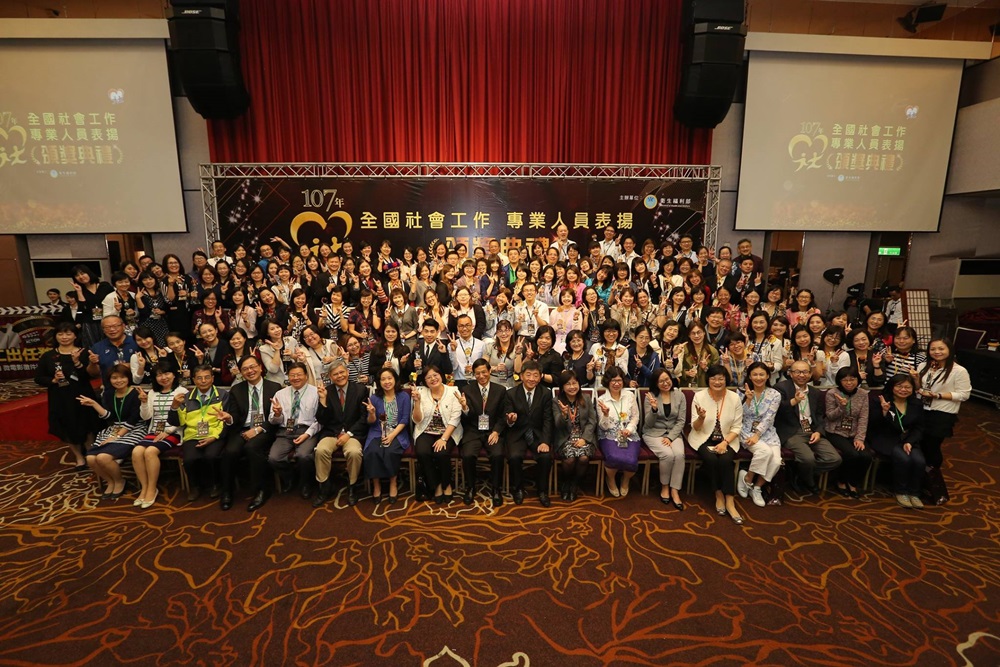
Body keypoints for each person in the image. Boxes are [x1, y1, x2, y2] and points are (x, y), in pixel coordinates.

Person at [220, 355, 282, 511]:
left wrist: (258, 429)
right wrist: (229, 418)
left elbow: (276, 416)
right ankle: (227, 491)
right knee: (230, 451)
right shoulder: (236, 390)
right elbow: (235, 416)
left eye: (253, 367)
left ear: (260, 367)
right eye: (245, 369)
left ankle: (261, 490)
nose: (250, 371)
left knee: (252, 448)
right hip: (243, 428)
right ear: (241, 372)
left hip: (265, 428)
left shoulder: (275, 387)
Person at [34, 322, 99, 471]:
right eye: (60, 334)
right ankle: (78, 457)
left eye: (68, 334)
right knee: (67, 425)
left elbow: (89, 376)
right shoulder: (48, 356)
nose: (64, 337)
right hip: (60, 397)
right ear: (55, 336)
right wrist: (53, 380)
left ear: (75, 336)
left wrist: (77, 363)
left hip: (82, 393)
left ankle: (90, 453)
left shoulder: (84, 352)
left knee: (87, 424)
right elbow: (38, 378)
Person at [77, 363, 146, 500]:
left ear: (128, 378)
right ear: (109, 380)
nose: (118, 380)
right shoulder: (109, 394)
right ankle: (110, 481)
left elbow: (134, 419)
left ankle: (120, 481)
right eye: (114, 378)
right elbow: (109, 416)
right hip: (115, 428)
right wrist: (94, 404)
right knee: (90, 458)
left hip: (134, 429)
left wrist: (117, 436)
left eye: (122, 377)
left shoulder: (136, 393)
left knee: (103, 457)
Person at [916, 338, 971, 505]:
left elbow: (964, 394)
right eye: (933, 349)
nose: (937, 352)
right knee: (920, 445)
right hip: (922, 410)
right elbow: (919, 388)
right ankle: (919, 482)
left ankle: (934, 485)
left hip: (942, 413)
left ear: (949, 350)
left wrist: (938, 395)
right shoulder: (923, 366)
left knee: (932, 448)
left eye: (941, 348)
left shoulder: (958, 370)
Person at [775, 360, 843, 495]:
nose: (802, 375)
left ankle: (800, 473)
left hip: (811, 430)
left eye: (805, 372)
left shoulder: (814, 392)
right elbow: (776, 410)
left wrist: (818, 431)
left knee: (834, 459)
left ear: (810, 374)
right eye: (797, 372)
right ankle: (808, 481)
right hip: (792, 431)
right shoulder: (781, 388)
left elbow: (819, 415)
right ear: (790, 373)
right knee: (808, 459)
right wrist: (793, 401)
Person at [689, 365, 744, 523]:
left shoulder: (734, 398)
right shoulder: (699, 396)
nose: (717, 382)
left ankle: (730, 500)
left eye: (721, 378)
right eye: (713, 378)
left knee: (726, 460)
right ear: (708, 380)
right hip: (702, 437)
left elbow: (737, 427)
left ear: (726, 380)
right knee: (711, 459)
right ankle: (718, 494)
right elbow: (695, 427)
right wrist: (701, 418)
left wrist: (725, 443)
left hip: (728, 438)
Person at [131, 362, 188, 508]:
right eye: (159, 375)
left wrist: (167, 431)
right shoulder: (152, 393)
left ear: (174, 375)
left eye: (167, 373)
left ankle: (152, 489)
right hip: (154, 431)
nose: (164, 377)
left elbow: (185, 417)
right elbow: (146, 417)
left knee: (150, 452)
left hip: (173, 431)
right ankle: (144, 488)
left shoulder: (181, 391)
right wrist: (144, 402)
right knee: (136, 451)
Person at [171, 364, 231, 502]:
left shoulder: (223, 395)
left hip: (215, 434)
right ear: (193, 380)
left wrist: (214, 437)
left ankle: (216, 484)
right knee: (189, 459)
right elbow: (178, 422)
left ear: (212, 378)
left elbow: (226, 420)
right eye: (199, 378)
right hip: (193, 435)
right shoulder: (185, 397)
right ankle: (195, 486)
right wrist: (174, 407)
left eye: (207, 377)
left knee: (211, 456)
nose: (203, 381)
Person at [312, 359, 369, 506]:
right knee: (321, 450)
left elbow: (364, 418)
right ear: (330, 377)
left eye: (342, 372)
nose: (339, 376)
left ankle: (352, 487)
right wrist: (323, 401)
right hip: (332, 432)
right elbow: (322, 420)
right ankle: (324, 487)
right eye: (335, 374)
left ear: (347, 372)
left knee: (354, 452)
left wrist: (348, 434)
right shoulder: (327, 391)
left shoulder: (360, 390)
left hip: (353, 433)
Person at [502, 360, 554, 506]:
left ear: (540, 377)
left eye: (535, 375)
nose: (532, 379)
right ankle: (518, 489)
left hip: (537, 434)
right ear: (521, 376)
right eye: (528, 375)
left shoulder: (546, 393)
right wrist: (510, 420)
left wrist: (545, 441)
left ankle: (542, 491)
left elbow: (548, 420)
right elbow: (507, 417)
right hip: (517, 433)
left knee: (545, 457)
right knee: (514, 457)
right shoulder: (511, 393)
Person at [869, 374, 926, 508]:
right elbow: (873, 425)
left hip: (907, 439)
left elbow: (919, 427)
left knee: (919, 460)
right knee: (904, 459)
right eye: (899, 386)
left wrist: (910, 441)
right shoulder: (880, 401)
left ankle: (914, 493)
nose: (903, 390)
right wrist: (884, 413)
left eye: (907, 387)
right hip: (885, 438)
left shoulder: (916, 404)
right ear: (891, 387)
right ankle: (901, 492)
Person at [266, 362, 321, 501]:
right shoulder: (280, 394)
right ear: (288, 377)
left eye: (299, 374)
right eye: (292, 375)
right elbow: (273, 421)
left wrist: (307, 434)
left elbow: (321, 420)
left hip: (307, 430)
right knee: (274, 458)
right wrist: (277, 414)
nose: (296, 378)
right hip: (285, 432)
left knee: (304, 456)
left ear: (306, 376)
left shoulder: (316, 393)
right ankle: (290, 477)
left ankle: (306, 483)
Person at [457, 359, 507, 505]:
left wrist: (497, 431)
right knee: (467, 455)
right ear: (474, 374)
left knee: (497, 454)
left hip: (492, 430)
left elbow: (503, 415)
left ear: (490, 371)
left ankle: (496, 489)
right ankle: (470, 487)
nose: (481, 376)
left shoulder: (500, 390)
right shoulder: (467, 390)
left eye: (484, 372)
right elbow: (467, 418)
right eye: (477, 373)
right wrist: (465, 408)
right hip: (474, 430)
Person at [412, 365, 463, 503]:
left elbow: (455, 418)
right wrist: (417, 402)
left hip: (448, 431)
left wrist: (444, 438)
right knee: (422, 452)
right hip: (425, 430)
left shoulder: (453, 391)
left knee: (441, 453)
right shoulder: (421, 392)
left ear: (441, 376)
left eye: (435, 375)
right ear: (425, 381)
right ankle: (437, 485)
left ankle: (447, 484)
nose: (433, 379)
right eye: (428, 377)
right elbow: (417, 420)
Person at [360, 368, 411, 504]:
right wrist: (372, 413)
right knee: (372, 451)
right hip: (377, 431)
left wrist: (392, 435)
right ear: (379, 382)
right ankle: (376, 485)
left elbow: (404, 420)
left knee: (390, 451)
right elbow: (371, 422)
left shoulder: (404, 396)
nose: (387, 382)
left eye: (389, 378)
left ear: (395, 379)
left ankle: (393, 482)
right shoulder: (374, 398)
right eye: (383, 379)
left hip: (397, 432)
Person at [737, 362, 782, 508]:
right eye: (755, 374)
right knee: (765, 452)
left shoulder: (775, 394)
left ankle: (756, 486)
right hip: (746, 430)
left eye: (762, 374)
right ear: (749, 376)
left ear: (768, 376)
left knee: (776, 461)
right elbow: (739, 415)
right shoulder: (741, 392)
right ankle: (748, 480)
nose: (758, 378)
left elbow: (769, 417)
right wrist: (748, 400)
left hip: (767, 432)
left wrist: (758, 434)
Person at [824, 367, 872, 499]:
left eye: (852, 379)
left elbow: (863, 417)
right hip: (835, 431)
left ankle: (853, 483)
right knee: (851, 454)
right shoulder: (832, 393)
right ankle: (841, 482)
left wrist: (860, 438)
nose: (849, 383)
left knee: (866, 456)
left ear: (858, 380)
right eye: (845, 380)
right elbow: (830, 416)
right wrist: (842, 407)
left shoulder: (863, 394)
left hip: (854, 432)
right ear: (839, 381)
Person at [642, 368, 687, 508]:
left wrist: (671, 437)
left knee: (679, 455)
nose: (665, 383)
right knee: (668, 455)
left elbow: (681, 421)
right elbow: (648, 424)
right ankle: (665, 486)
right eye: (661, 381)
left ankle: (675, 490)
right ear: (656, 383)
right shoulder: (650, 396)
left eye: (667, 379)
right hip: (653, 433)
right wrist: (654, 410)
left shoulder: (679, 395)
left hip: (673, 433)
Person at [595, 367, 640, 497]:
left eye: (619, 380)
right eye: (613, 380)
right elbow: (603, 427)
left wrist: (629, 429)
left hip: (629, 433)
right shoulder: (602, 400)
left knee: (631, 460)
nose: (616, 383)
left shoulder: (630, 396)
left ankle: (625, 480)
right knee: (614, 457)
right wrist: (605, 415)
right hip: (608, 434)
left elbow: (635, 417)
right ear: (608, 381)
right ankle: (610, 479)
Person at [86, 316, 140, 386]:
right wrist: (92, 363)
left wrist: (132, 365)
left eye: (115, 326)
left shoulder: (137, 342)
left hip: (136, 387)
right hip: (110, 389)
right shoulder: (97, 347)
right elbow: (94, 374)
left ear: (123, 326)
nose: (112, 329)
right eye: (107, 327)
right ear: (103, 330)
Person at [403, 319, 453, 385]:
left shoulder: (442, 346)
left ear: (437, 332)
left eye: (432, 332)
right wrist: (409, 364)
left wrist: (444, 354)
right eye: (426, 331)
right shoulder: (417, 346)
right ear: (422, 332)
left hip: (437, 385)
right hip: (421, 384)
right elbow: (410, 369)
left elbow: (448, 370)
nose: (429, 335)